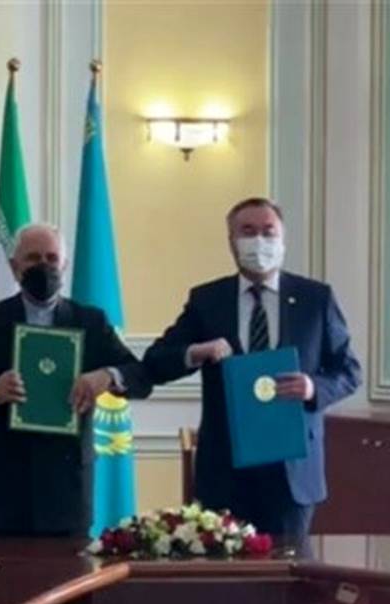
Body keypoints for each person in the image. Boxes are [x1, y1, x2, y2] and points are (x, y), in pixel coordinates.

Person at [143, 197, 360, 539]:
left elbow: (349, 370)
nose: (259, 240)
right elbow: (156, 361)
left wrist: (313, 388)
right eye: (247, 231)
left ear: (282, 239)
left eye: (268, 231)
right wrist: (196, 352)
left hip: (291, 472)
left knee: (289, 566)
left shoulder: (315, 299)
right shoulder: (208, 300)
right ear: (231, 241)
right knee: (225, 569)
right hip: (225, 471)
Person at [0, 223, 151, 537]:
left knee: (70, 570)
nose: (43, 266)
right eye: (33, 258)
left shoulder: (90, 321)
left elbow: (140, 377)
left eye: (51, 258)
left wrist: (107, 376)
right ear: (14, 266)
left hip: (67, 493)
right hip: (2, 494)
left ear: (64, 265)